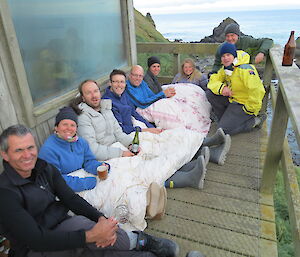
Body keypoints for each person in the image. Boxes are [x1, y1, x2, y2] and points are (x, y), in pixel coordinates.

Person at [0, 124, 181, 257]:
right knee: (89, 236)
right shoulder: (5, 192)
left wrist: (101, 220)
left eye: (30, 148)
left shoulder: (44, 168)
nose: (27, 155)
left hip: (63, 227)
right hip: (35, 249)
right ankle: (139, 245)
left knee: (106, 240)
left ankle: (139, 244)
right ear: (5, 155)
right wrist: (90, 235)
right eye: (19, 150)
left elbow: (71, 199)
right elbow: (35, 239)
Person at [38, 106, 110, 192]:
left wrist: (99, 167)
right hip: (63, 191)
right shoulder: (48, 150)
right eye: (65, 124)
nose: (69, 128)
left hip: (81, 179)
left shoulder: (81, 142)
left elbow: (88, 161)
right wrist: (86, 183)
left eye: (72, 125)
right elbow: (55, 180)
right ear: (56, 127)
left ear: (76, 129)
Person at [207, 42, 266, 135]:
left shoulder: (245, 69)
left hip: (244, 105)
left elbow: (257, 91)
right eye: (223, 56)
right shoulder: (226, 68)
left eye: (228, 55)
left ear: (234, 56)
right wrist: (222, 88)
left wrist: (249, 109)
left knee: (223, 130)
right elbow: (213, 80)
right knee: (210, 94)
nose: (225, 58)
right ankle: (225, 120)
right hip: (233, 100)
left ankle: (254, 121)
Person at [71, 79, 135, 161]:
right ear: (83, 98)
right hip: (103, 158)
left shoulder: (105, 108)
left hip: (117, 148)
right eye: (88, 93)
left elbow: (118, 133)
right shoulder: (83, 117)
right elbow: (92, 149)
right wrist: (121, 153)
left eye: (96, 91)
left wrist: (130, 144)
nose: (94, 95)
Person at [102, 69, 162, 134]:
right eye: (116, 81)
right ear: (110, 83)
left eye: (122, 82)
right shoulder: (107, 103)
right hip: (126, 135)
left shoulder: (123, 94)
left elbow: (134, 113)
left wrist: (150, 127)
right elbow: (119, 129)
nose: (119, 85)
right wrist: (143, 130)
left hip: (134, 128)